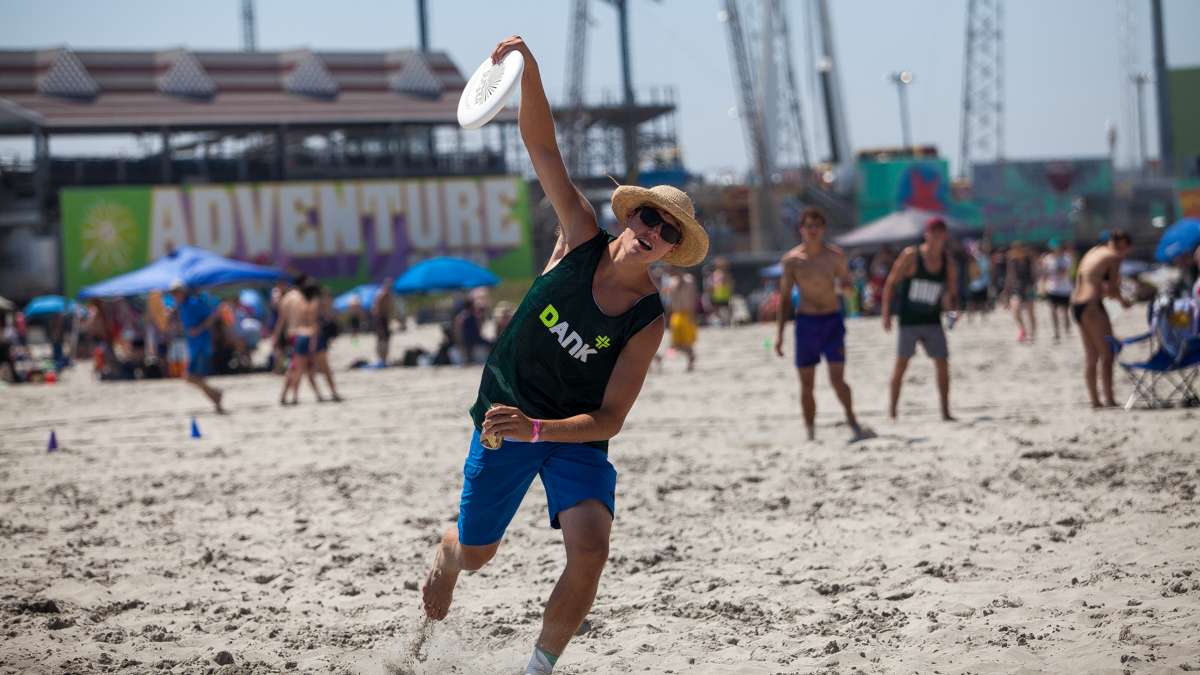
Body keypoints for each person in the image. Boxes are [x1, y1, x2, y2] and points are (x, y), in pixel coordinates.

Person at [420, 35, 708, 675]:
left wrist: (543, 430)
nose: (652, 234)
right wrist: (530, 74)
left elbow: (610, 419)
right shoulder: (578, 235)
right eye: (649, 220)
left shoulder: (647, 319)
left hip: (571, 433)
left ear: (669, 249)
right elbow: (542, 147)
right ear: (631, 217)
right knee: (477, 554)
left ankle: (539, 667)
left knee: (591, 547)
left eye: (667, 234)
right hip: (505, 417)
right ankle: (448, 551)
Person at [773, 207, 874, 442]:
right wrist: (779, 335)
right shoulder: (792, 261)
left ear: (823, 229)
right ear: (801, 230)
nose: (813, 231)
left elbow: (848, 285)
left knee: (837, 380)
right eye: (809, 226)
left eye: (817, 226)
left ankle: (852, 420)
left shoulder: (835, 256)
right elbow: (785, 298)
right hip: (806, 323)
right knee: (806, 383)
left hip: (831, 320)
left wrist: (848, 290)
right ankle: (810, 431)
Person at [882, 218, 958, 421]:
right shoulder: (912, 256)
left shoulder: (947, 262)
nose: (937, 238)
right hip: (909, 321)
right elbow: (890, 283)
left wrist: (951, 318)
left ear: (945, 236)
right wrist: (886, 314)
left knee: (942, 364)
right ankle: (893, 411)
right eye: (933, 233)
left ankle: (945, 411)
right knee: (901, 365)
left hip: (932, 321)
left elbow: (951, 294)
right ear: (927, 234)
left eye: (941, 234)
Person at [1071, 230, 1133, 408]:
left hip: (1076, 304)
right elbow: (1113, 290)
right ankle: (1110, 398)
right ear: (1123, 244)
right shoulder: (1114, 257)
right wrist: (1124, 302)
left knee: (1091, 355)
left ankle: (1095, 401)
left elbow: (1089, 280)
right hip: (1092, 305)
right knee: (1108, 353)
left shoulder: (1093, 252)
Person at [169, 280, 225, 413]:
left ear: (183, 292)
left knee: (192, 377)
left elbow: (213, 315)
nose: (175, 295)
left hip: (202, 345)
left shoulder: (194, 303)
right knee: (193, 377)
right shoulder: (181, 306)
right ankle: (216, 396)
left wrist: (199, 329)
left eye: (177, 292)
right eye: (173, 293)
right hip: (193, 346)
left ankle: (216, 397)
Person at [663, 268, 699, 371]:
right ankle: (691, 357)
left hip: (687, 314)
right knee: (676, 343)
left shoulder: (689, 279)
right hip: (676, 314)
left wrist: (693, 314)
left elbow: (693, 297)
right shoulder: (671, 281)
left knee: (686, 342)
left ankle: (690, 361)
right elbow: (670, 300)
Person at [1040, 239, 1075, 341]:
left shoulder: (1067, 258)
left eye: (1057, 247)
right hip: (1052, 288)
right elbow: (1044, 274)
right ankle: (1056, 332)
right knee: (1052, 311)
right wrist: (1042, 286)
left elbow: (1065, 272)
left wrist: (1053, 273)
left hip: (1065, 288)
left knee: (1065, 311)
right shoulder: (1047, 259)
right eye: (1053, 247)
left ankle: (1067, 330)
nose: (1055, 249)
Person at [313, 287, 343, 401]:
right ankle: (327, 393)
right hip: (316, 339)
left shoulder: (326, 309)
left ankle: (328, 393)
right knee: (320, 368)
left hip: (321, 339)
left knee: (321, 368)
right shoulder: (317, 307)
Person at [1004, 241, 1037, 341]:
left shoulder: (1029, 260)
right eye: (1014, 250)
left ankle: (1032, 333)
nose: (1015, 252)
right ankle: (1023, 330)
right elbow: (1009, 276)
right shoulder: (1012, 262)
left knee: (1030, 312)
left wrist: (1035, 286)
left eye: (1018, 249)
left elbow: (1035, 274)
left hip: (1029, 287)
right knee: (1015, 311)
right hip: (1016, 288)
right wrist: (1006, 290)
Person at [705, 257, 734, 327]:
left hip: (724, 294)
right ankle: (721, 321)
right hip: (717, 294)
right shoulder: (715, 274)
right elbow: (711, 285)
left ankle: (726, 321)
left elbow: (730, 284)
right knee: (717, 309)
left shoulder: (725, 274)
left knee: (726, 308)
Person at [372, 279, 395, 366]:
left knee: (385, 339)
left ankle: (384, 359)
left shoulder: (389, 295)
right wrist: (379, 320)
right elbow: (376, 309)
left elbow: (389, 310)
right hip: (380, 319)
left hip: (384, 319)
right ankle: (381, 359)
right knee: (382, 339)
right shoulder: (382, 294)